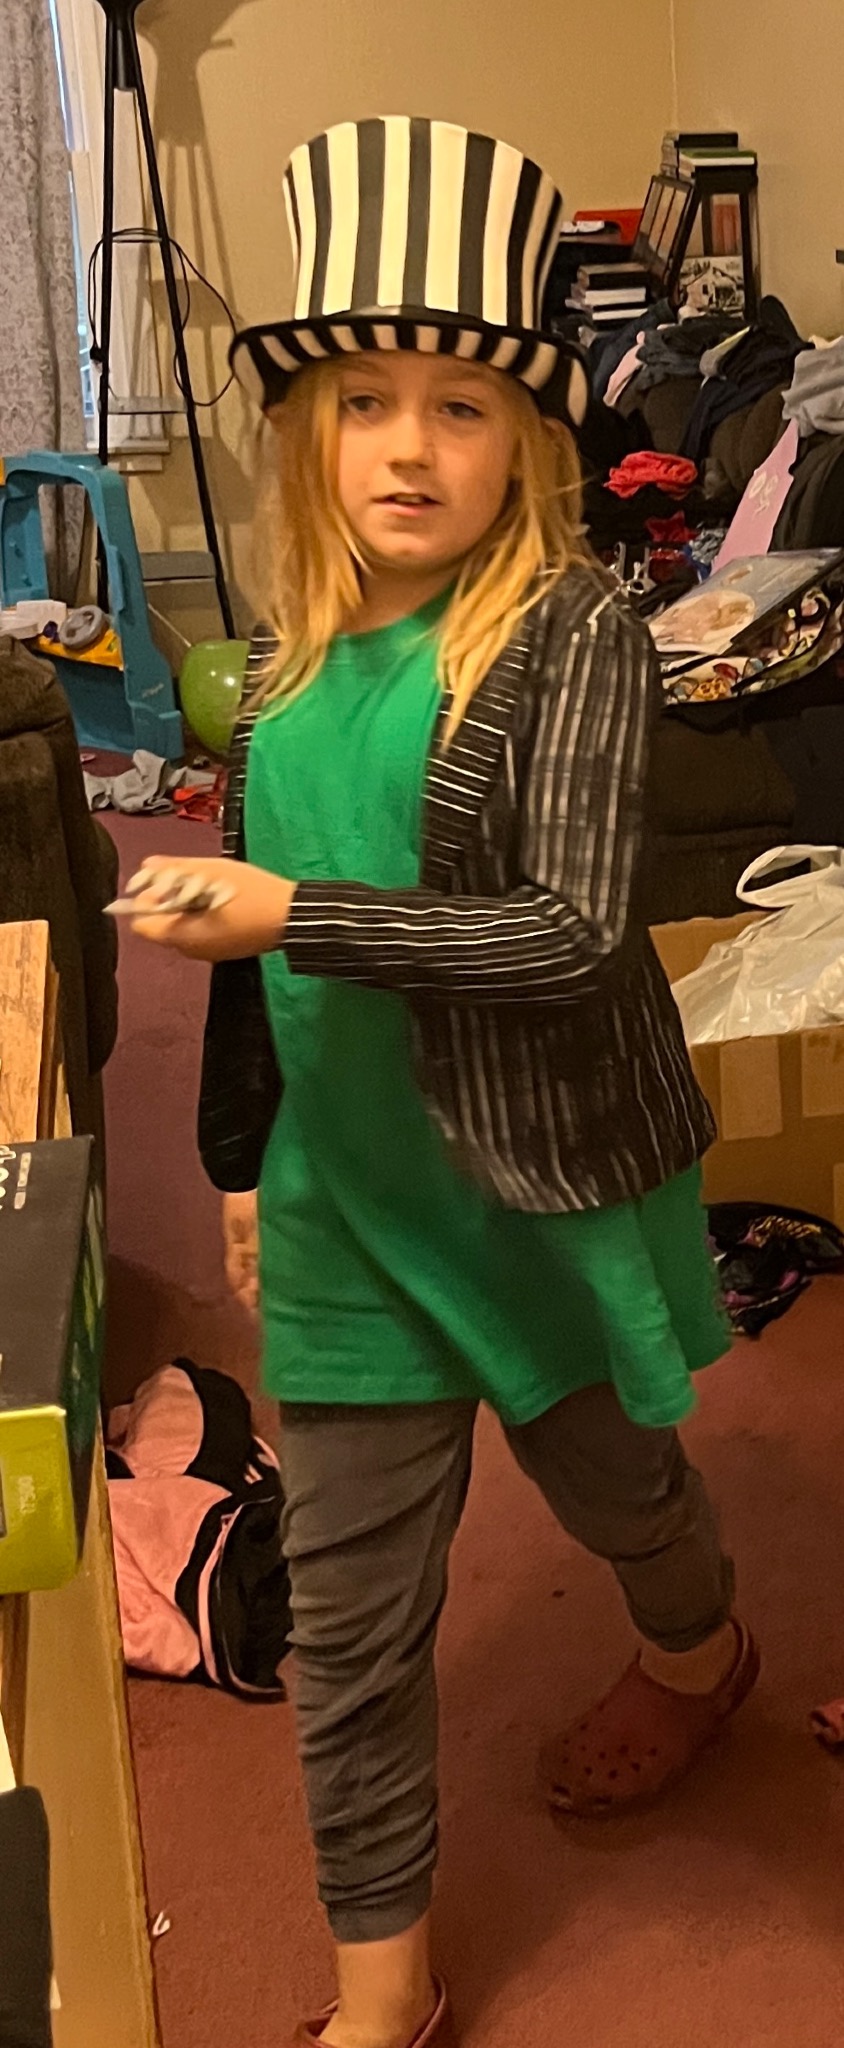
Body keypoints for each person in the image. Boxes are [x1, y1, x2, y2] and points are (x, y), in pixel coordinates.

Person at [114, 119, 759, 2048]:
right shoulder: (283, 667)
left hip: (540, 1189)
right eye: (365, 401)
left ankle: (700, 1652)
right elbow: (255, 979)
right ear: (304, 432)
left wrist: (296, 910)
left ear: (528, 440)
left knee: (625, 1492)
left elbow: (570, 934)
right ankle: (378, 1992)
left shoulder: (569, 642)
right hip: (351, 1207)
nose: (409, 448)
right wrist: (245, 1163)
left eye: (460, 406)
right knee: (348, 1617)